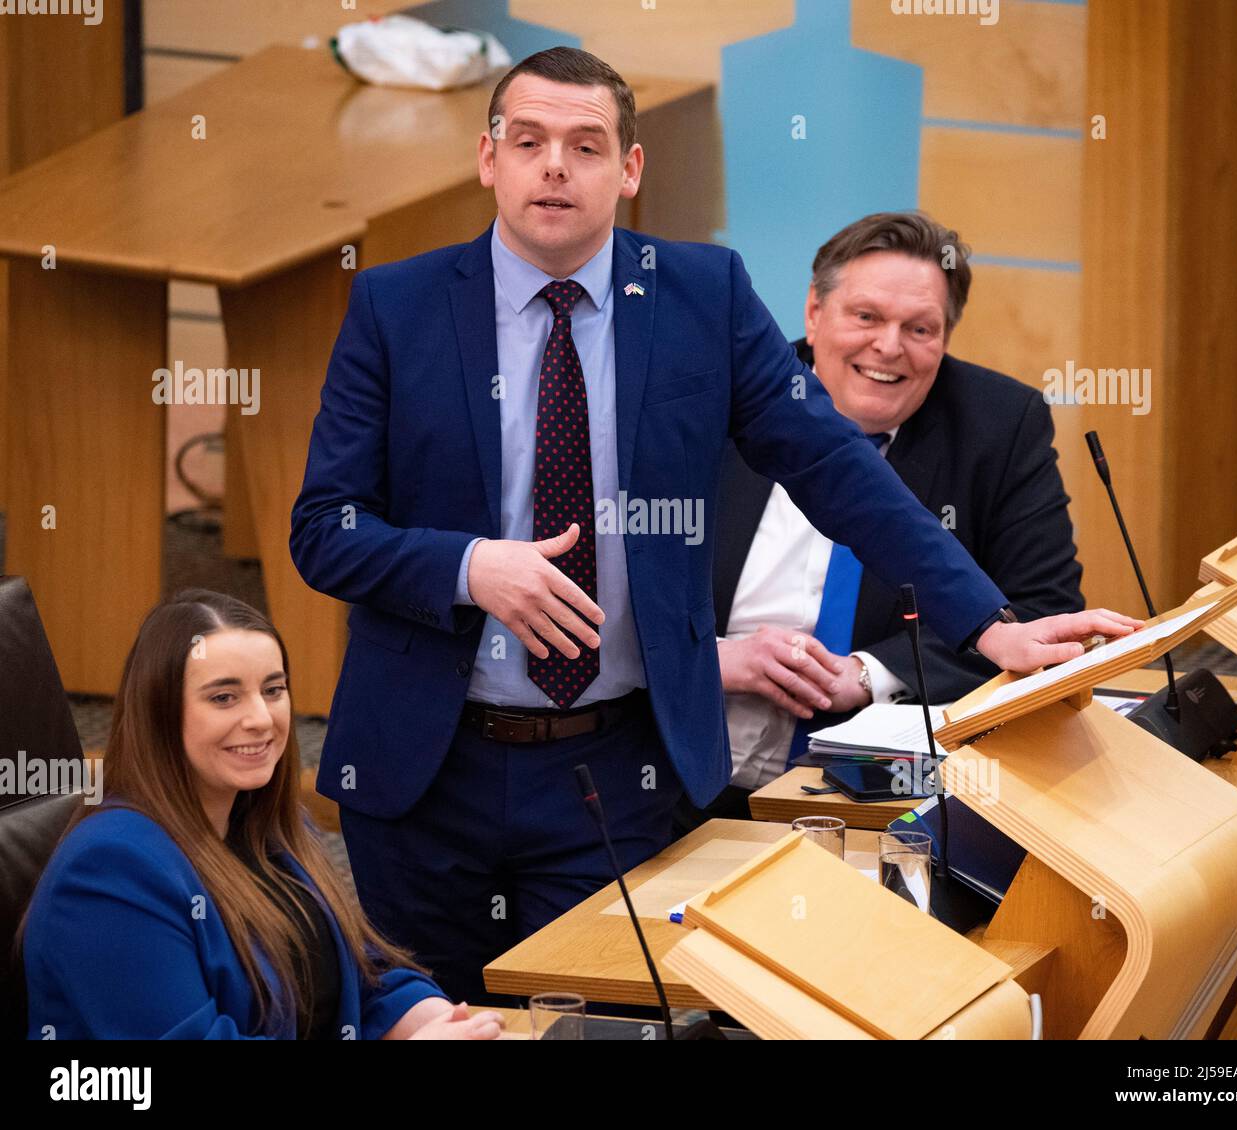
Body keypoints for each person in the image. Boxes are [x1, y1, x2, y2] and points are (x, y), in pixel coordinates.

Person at [290, 46, 1140, 1003]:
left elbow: (834, 467)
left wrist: (989, 624)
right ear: (490, 159)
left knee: (598, 1019)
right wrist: (470, 568)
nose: (555, 166)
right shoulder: (397, 306)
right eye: (528, 141)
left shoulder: (702, 296)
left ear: (631, 169)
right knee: (424, 1020)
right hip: (426, 767)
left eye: (586, 144)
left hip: (614, 766)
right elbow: (326, 528)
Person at [687, 211, 1086, 825]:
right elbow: (614, 578)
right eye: (866, 317)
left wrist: (871, 674)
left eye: (919, 328)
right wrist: (710, 657)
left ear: (946, 339)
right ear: (814, 314)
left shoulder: (999, 427)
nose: (889, 347)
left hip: (885, 800)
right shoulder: (721, 399)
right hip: (682, 786)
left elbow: (1038, 612)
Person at [21, 589, 501, 1040]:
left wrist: (439, 1022)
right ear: (160, 713)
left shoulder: (265, 825)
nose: (260, 718)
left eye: (273, 690)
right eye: (223, 697)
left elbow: (365, 977)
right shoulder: (111, 873)